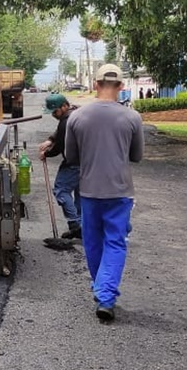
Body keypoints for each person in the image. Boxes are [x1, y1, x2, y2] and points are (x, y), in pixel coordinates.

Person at [64, 64, 144, 322]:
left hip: (89, 191)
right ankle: (105, 295)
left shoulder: (77, 117)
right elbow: (137, 156)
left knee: (93, 242)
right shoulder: (132, 118)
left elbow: (71, 156)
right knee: (115, 241)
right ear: (121, 86)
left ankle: (102, 290)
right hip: (120, 192)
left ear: (95, 84)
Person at [37, 93, 79, 251]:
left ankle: (75, 224)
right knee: (80, 194)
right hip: (89, 162)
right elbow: (59, 132)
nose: (54, 115)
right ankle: (82, 227)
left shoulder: (66, 121)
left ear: (64, 106)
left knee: (61, 190)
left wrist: (46, 153)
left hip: (74, 162)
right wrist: (50, 139)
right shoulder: (76, 113)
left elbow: (60, 145)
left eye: (55, 111)